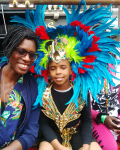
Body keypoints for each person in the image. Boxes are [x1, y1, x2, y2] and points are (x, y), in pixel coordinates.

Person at [10, 0, 120, 149]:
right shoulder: (43, 92)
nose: (58, 72)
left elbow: (87, 121)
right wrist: (58, 146)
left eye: (63, 67)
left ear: (71, 69)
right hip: (51, 138)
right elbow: (43, 123)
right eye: (54, 68)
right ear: (48, 71)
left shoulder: (81, 91)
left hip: (78, 135)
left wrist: (86, 145)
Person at [91, 84, 120, 150]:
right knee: (109, 148)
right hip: (95, 119)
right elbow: (81, 107)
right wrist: (102, 117)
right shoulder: (83, 75)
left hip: (116, 118)